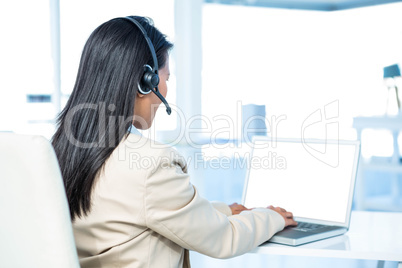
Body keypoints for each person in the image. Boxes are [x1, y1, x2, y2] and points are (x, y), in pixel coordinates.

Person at [51, 16, 297, 268]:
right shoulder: (150, 164)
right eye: (166, 78)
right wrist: (271, 217)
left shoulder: (62, 151)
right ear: (145, 83)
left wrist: (221, 211)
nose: (166, 89)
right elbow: (224, 238)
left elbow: (137, 211)